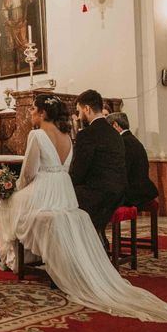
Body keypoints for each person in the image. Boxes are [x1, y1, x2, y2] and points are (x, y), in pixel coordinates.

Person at [0, 94, 167, 322]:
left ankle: (13, 259)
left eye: (33, 110)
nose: (30, 113)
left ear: (43, 113)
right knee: (36, 210)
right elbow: (70, 169)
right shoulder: (68, 136)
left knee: (7, 203)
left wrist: (16, 188)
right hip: (64, 191)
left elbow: (28, 173)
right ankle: (30, 258)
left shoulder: (36, 135)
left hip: (45, 190)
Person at [69, 89, 127, 235]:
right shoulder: (115, 133)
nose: (79, 115)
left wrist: (66, 183)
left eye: (79, 111)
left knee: (61, 200)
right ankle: (98, 240)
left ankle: (81, 244)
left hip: (98, 195)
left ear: (87, 108)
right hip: (119, 193)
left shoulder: (86, 134)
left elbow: (78, 171)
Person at [106, 112, 159, 208]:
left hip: (134, 193)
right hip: (142, 189)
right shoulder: (132, 139)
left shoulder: (123, 142)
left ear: (115, 125)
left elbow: (122, 171)